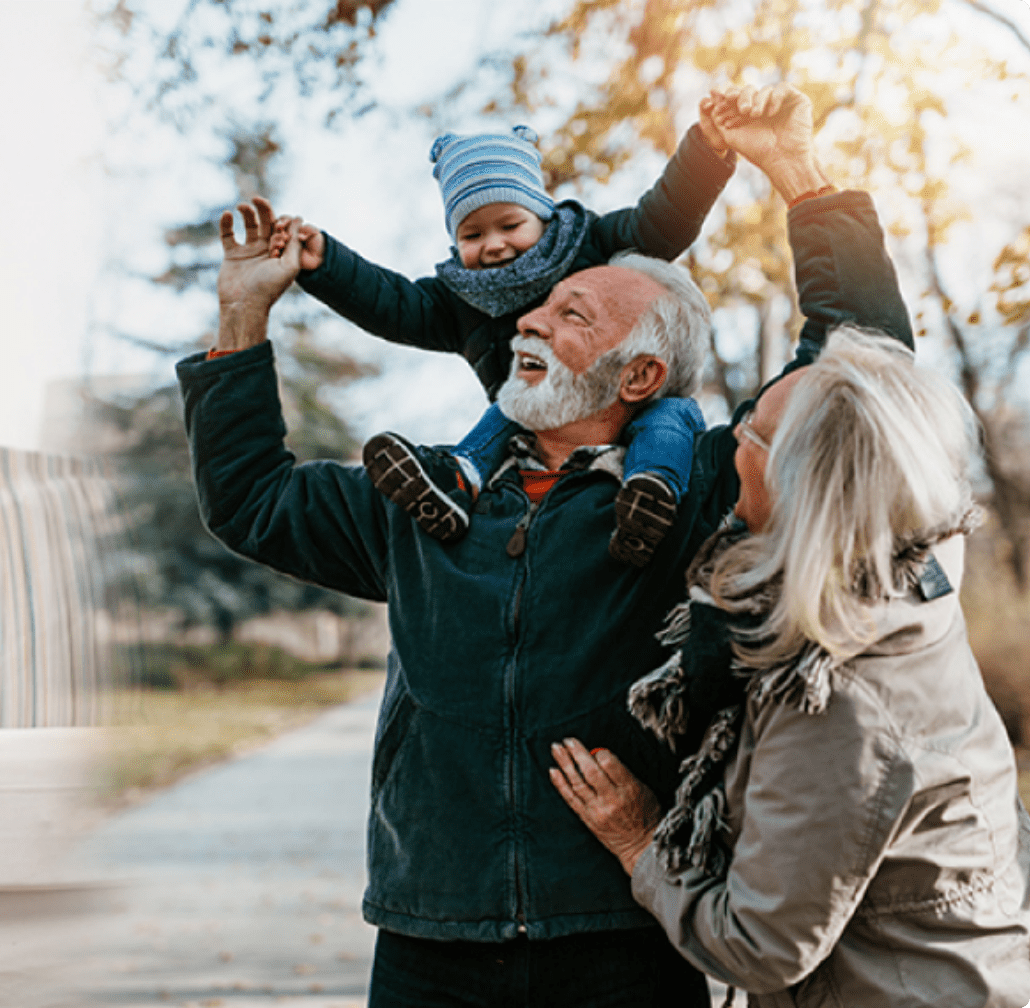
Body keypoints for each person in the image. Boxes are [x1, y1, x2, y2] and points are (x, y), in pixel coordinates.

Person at [180, 84, 911, 1006]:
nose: (524, 319)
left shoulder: (703, 490)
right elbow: (250, 499)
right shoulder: (429, 495)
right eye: (535, 312)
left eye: (572, 316)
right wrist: (242, 316)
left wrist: (800, 174)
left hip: (624, 933)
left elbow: (860, 367)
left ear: (641, 374)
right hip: (429, 931)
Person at [548, 326, 1030, 1006]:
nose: (733, 437)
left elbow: (759, 946)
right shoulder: (907, 579)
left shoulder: (837, 695)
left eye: (751, 432)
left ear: (799, 485)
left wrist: (641, 842)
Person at [265, 107, 738, 566]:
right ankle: (455, 483)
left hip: (627, 397)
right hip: (535, 425)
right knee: (506, 409)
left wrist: (706, 152)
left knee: (672, 416)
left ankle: (651, 490)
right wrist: (325, 263)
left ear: (542, 214)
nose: (493, 244)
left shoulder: (590, 246)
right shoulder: (460, 299)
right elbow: (391, 303)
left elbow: (663, 220)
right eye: (471, 235)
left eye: (511, 225)